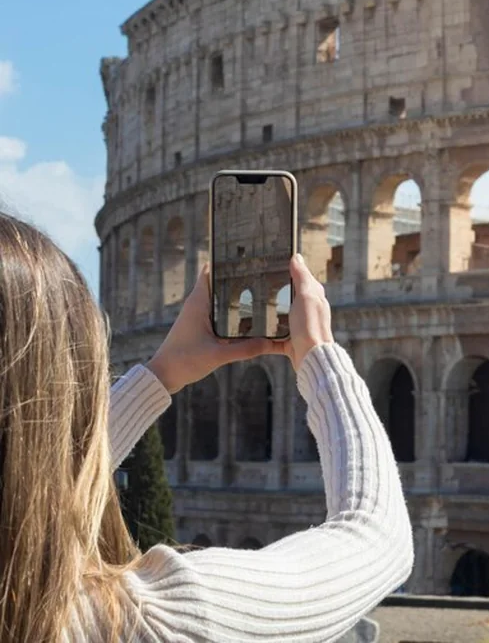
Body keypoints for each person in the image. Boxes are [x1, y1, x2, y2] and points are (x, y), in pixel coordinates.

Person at [0, 212, 413, 642]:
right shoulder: (153, 620)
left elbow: (32, 477)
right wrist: (321, 359)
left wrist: (161, 372)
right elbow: (378, 537)